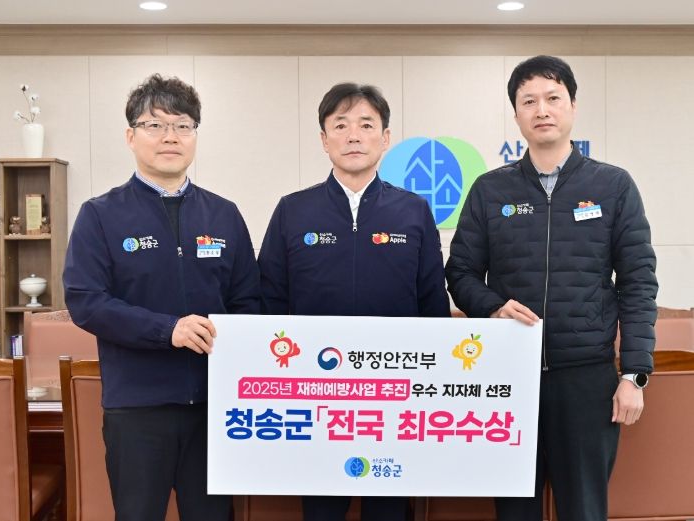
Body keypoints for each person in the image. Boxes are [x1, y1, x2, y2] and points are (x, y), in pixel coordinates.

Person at [445, 55, 658, 521]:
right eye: (529, 101)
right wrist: (492, 307)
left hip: (587, 380)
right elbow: (459, 272)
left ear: (572, 106)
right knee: (514, 510)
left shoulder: (613, 186)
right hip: (507, 378)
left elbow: (638, 282)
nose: (541, 110)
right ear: (516, 114)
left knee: (583, 509)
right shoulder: (490, 190)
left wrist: (634, 374)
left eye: (552, 98)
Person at [63, 73, 260, 521]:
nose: (170, 136)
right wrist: (167, 330)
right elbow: (86, 300)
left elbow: (249, 301)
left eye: (183, 125)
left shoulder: (224, 214)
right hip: (137, 407)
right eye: (155, 125)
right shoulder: (100, 215)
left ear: (195, 136)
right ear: (130, 136)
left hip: (215, 407)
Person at [258, 82, 450, 521]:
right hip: (315, 395)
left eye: (366, 125)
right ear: (324, 139)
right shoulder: (293, 210)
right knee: (321, 508)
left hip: (394, 395)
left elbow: (432, 303)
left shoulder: (413, 210)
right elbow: (269, 300)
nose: (353, 136)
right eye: (340, 125)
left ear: (385, 138)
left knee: (389, 509)